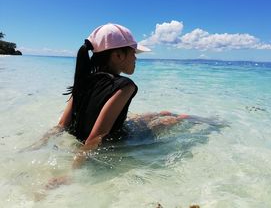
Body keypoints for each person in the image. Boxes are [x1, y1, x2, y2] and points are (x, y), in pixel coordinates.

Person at [30, 23, 187, 170]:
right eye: (133, 53)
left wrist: (36, 146)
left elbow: (62, 125)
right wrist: (73, 171)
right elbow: (97, 136)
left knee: (158, 114)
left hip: (81, 139)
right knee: (174, 120)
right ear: (118, 55)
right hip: (110, 143)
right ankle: (204, 121)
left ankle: (169, 115)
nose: (136, 58)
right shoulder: (125, 86)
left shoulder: (83, 81)